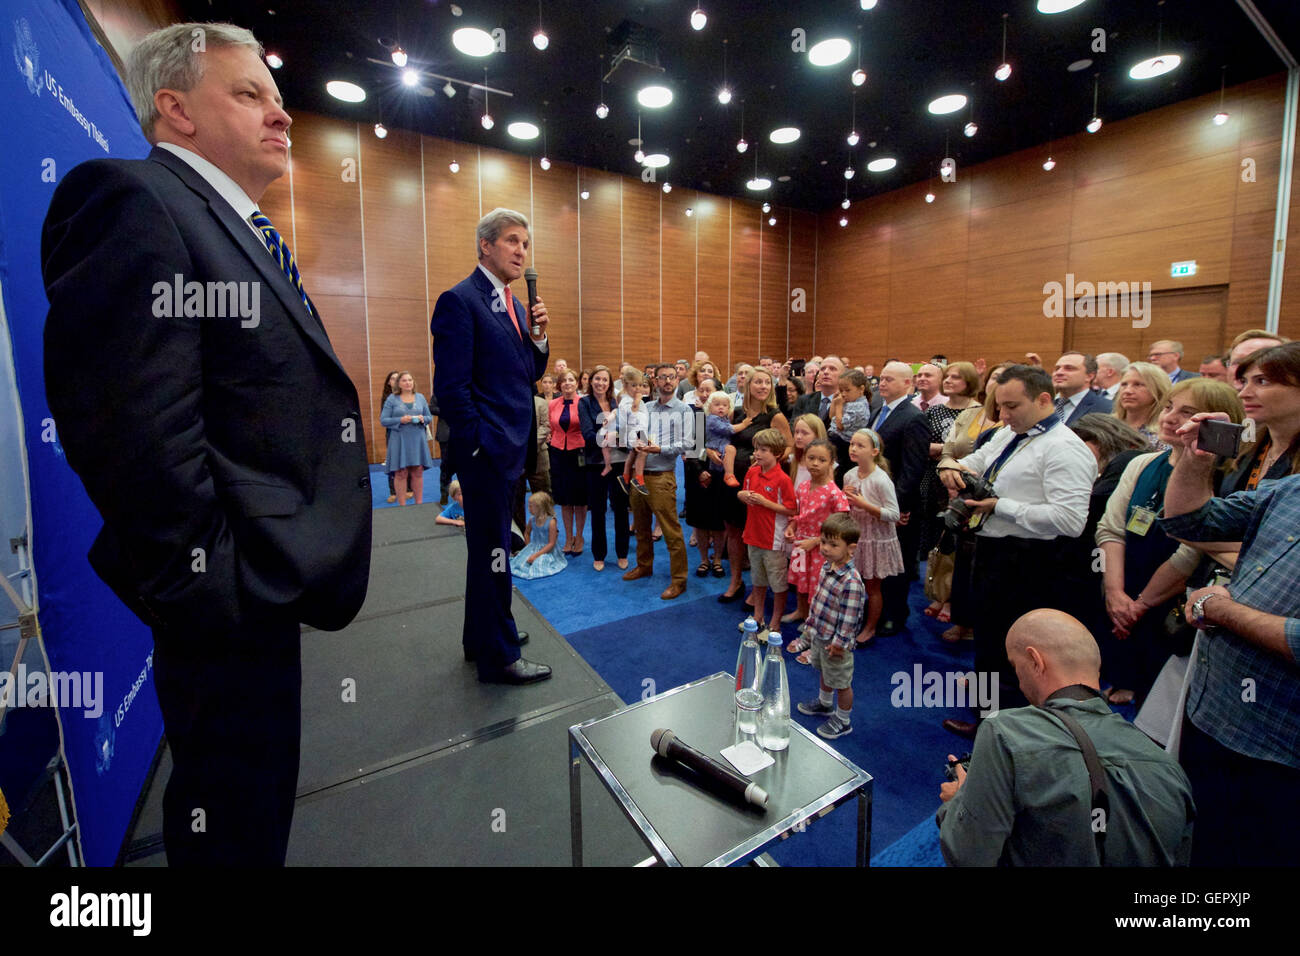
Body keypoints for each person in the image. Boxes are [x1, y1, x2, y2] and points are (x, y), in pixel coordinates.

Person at [41, 22, 373, 865]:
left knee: (252, 819)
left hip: (258, 586)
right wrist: (219, 593)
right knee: (231, 829)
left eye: (276, 95)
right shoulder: (131, 202)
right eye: (249, 93)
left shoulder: (232, 223)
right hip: (227, 599)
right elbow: (134, 437)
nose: (281, 114)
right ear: (175, 109)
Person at [936, 609, 1195, 866]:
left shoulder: (1004, 731)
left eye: (1015, 667)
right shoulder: (1171, 770)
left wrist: (958, 801)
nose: (1019, 681)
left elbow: (967, 857)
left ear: (1035, 661)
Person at [1160, 411, 1300, 867]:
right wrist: (1196, 461)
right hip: (1214, 715)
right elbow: (1190, 522)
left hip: (1278, 749)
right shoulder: (1291, 491)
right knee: (1203, 843)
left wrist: (1219, 608)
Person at [937, 364, 1096, 737]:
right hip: (994, 552)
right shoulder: (1012, 434)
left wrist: (1000, 506)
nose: (1004, 416)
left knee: (1016, 649)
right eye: (1000, 407)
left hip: (1031, 561)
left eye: (1012, 406)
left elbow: (1070, 521)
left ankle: (1003, 733)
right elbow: (974, 462)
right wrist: (949, 465)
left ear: (1044, 400)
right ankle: (986, 719)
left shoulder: (1065, 449)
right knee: (991, 640)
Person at [431, 206, 552, 685]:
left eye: (525, 243)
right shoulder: (460, 300)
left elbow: (530, 374)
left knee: (491, 549)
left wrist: (539, 336)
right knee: (494, 549)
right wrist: (479, 447)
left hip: (511, 449)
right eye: (512, 241)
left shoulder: (515, 305)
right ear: (486, 245)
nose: (522, 251)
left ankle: (481, 637)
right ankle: (498, 658)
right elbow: (453, 390)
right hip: (488, 453)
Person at [1095, 379, 1245, 706]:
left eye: (1187, 412)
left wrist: (1140, 605)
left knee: (1157, 702)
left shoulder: (1222, 478)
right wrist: (1115, 593)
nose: (1170, 417)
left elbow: (1190, 549)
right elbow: (1110, 529)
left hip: (1172, 602)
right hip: (1125, 585)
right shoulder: (1142, 463)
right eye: (1168, 407)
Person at [937, 363, 1008, 642]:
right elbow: (947, 452)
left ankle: (983, 627)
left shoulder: (1011, 425)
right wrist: (950, 471)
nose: (996, 383)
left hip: (994, 500)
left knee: (987, 565)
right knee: (963, 560)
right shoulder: (970, 414)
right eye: (994, 378)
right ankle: (962, 619)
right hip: (961, 490)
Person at [717, 369, 794, 603]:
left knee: (757, 537)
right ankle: (736, 580)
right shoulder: (737, 413)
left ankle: (757, 589)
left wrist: (770, 462)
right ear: (748, 385)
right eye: (758, 382)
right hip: (733, 481)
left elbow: (789, 446)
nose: (763, 387)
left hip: (760, 483)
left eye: (767, 383)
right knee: (733, 532)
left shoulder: (775, 415)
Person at [621, 365, 692, 600]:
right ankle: (644, 566)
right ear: (655, 381)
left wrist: (660, 448)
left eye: (671, 377)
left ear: (677, 379)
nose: (667, 381)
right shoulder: (646, 407)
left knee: (671, 531)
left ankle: (679, 580)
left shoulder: (684, 410)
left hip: (662, 476)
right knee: (641, 527)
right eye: (663, 378)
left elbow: (687, 444)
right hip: (639, 475)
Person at [794, 513, 866, 740]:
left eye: (833, 544)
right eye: (823, 541)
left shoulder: (851, 581)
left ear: (851, 548)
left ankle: (843, 720)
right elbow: (819, 600)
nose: (825, 548)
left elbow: (850, 618)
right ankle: (825, 704)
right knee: (825, 672)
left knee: (841, 682)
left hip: (836, 643)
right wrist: (810, 628)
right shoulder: (828, 567)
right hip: (821, 634)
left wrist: (840, 644)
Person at [870, 362, 930, 635]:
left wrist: (898, 508)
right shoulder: (877, 411)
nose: (882, 383)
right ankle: (875, 609)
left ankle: (894, 614)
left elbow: (913, 468)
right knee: (875, 559)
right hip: (872, 501)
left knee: (896, 562)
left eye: (890, 380)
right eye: (881, 378)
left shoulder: (913, 417)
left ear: (908, 384)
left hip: (897, 505)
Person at [918, 362, 981, 618]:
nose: (950, 380)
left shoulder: (978, 412)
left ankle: (952, 598)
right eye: (948, 376)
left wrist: (942, 451)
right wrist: (943, 450)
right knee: (936, 539)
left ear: (969, 382)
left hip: (964, 482)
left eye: (957, 377)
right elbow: (924, 444)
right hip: (933, 480)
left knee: (956, 541)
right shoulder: (934, 412)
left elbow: (972, 450)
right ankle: (938, 592)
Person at [784, 440, 850, 646]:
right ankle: (801, 611)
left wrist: (815, 541)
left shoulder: (833, 493)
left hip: (821, 548)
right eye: (811, 458)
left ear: (831, 463)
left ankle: (814, 621)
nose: (815, 464)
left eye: (822, 460)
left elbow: (842, 525)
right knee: (801, 583)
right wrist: (792, 527)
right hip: (801, 545)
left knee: (817, 586)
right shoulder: (803, 487)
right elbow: (798, 514)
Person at [841, 429, 903, 644]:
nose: (854, 449)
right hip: (857, 536)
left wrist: (863, 504)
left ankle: (870, 627)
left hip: (876, 538)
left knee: (873, 587)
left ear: (874, 451)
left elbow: (893, 514)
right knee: (852, 583)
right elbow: (846, 507)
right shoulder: (849, 475)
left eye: (860, 446)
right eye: (852, 444)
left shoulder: (881, 479)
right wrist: (846, 501)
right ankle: (852, 620)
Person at [737, 429, 797, 633]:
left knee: (778, 583)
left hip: (774, 539)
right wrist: (742, 496)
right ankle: (758, 616)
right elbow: (744, 493)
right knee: (758, 580)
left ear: (777, 454)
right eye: (756, 449)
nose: (758, 454)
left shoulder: (783, 480)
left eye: (764, 450)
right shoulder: (753, 471)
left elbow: (791, 509)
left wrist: (765, 503)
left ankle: (775, 622)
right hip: (753, 535)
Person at [579, 364, 629, 572]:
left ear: (610, 383)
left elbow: (630, 432)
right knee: (598, 511)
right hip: (596, 464)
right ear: (591, 381)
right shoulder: (584, 403)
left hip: (620, 462)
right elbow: (588, 435)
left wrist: (617, 438)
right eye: (597, 379)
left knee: (621, 510)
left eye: (604, 380)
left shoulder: (617, 403)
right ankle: (599, 554)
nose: (600, 383)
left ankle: (622, 553)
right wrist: (610, 437)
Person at [684, 377, 728, 578]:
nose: (704, 394)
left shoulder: (728, 422)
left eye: (708, 390)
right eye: (701, 390)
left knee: (719, 521)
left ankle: (717, 559)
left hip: (720, 477)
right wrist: (700, 471)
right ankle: (703, 560)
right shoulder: (696, 419)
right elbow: (690, 449)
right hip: (697, 475)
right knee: (700, 521)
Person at [548, 369, 588, 553]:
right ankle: (568, 536)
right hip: (558, 453)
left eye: (571, 380)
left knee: (579, 499)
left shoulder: (584, 403)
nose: (567, 383)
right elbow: (551, 427)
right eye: (563, 381)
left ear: (577, 383)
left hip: (579, 453)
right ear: (560, 385)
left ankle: (579, 537)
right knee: (564, 499)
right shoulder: (553, 404)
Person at [380, 372, 434, 505]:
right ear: (399, 383)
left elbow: (429, 417)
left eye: (410, 380)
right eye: (404, 380)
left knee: (417, 471)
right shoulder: (392, 399)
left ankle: (419, 504)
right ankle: (402, 506)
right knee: (401, 473)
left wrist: (423, 419)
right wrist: (400, 420)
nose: (408, 382)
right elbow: (383, 420)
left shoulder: (420, 397)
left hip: (417, 440)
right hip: (399, 440)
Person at [827, 368, 874, 482]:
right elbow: (831, 416)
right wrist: (835, 401)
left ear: (861, 389)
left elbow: (841, 425)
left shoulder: (859, 406)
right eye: (841, 390)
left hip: (844, 444)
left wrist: (839, 406)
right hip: (835, 439)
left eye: (847, 390)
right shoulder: (848, 402)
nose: (843, 394)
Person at [1113, 361, 1172, 448]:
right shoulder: (1107, 426)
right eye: (1124, 384)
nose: (1127, 391)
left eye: (1137, 385)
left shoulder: (1165, 434)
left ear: (1158, 390)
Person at [510, 492, 567, 579]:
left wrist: (536, 555)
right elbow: (527, 533)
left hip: (548, 550)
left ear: (540, 507)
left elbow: (551, 543)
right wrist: (528, 547)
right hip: (534, 546)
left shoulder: (551, 522)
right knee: (519, 562)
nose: (528, 508)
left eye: (531, 506)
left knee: (539, 563)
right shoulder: (532, 519)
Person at [705, 391, 751, 487]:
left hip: (721, 446)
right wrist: (744, 424)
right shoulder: (712, 419)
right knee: (731, 449)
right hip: (716, 445)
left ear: (729, 408)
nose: (721, 407)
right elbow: (728, 429)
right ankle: (729, 475)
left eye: (724, 405)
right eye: (717, 405)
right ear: (709, 407)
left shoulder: (723, 418)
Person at [1052, 352, 1112, 424]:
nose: (1059, 372)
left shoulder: (1105, 408)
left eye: (1069, 368)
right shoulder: (1041, 404)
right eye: (1057, 368)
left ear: (1089, 376)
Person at [379, 370, 401, 503]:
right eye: (393, 378)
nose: (395, 380)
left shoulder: (407, 396)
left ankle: (409, 489)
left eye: (398, 378)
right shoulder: (386, 399)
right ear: (389, 382)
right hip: (392, 433)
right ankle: (393, 491)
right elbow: (385, 418)